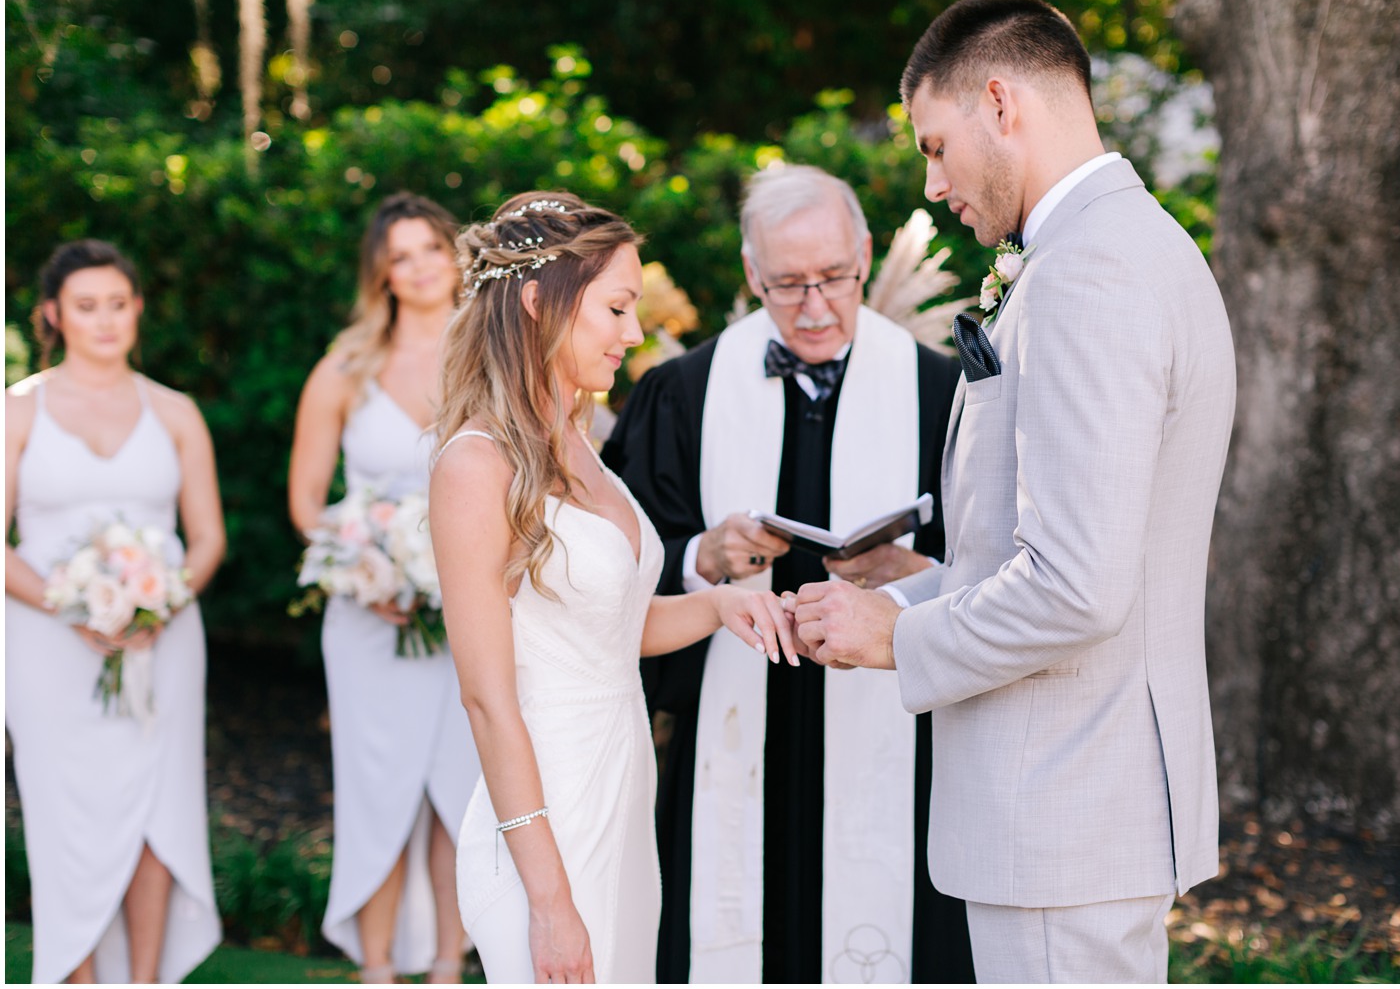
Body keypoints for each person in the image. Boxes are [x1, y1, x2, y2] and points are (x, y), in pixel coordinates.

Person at [791, 0, 1238, 986]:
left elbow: (1079, 586)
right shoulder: (1107, 247)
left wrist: (892, 638)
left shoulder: (1092, 274)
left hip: (1065, 802)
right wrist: (927, 581)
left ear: (1000, 102)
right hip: (1078, 798)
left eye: (936, 146)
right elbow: (1081, 541)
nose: (932, 182)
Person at [600, 166, 972, 985]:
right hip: (730, 734)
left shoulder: (943, 393)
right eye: (788, 284)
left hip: (892, 738)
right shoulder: (682, 393)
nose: (813, 306)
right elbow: (616, 558)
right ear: (749, 274)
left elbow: (996, 566)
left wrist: (916, 570)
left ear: (866, 256)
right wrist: (704, 554)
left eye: (834, 278)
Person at [427, 193, 799, 985]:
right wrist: (550, 898)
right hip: (546, 824)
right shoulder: (475, 465)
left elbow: (611, 631)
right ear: (537, 302)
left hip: (623, 801)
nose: (634, 334)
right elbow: (488, 700)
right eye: (617, 307)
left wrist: (721, 602)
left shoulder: (583, 441)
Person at [4, 240, 226, 985]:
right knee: (66, 809)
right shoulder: (18, 409)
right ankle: (77, 973)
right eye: (85, 305)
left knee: (159, 808)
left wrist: (161, 602)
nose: (104, 320)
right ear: (52, 315)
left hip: (162, 637)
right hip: (47, 642)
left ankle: (146, 980)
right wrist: (70, 605)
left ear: (137, 308)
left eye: (117, 303)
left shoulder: (175, 410)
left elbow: (207, 538)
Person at [288, 194, 480, 985]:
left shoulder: (489, 354)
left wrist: (457, 573)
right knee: (380, 787)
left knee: (455, 787)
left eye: (432, 246)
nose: (422, 265)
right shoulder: (344, 367)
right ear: (383, 274)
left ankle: (444, 964)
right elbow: (306, 502)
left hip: (468, 616)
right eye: (402, 255)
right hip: (371, 621)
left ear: (455, 254)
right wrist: (367, 572)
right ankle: (374, 967)